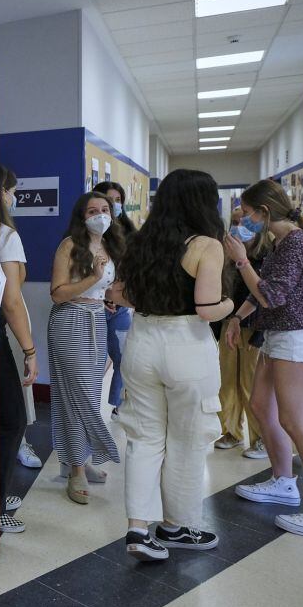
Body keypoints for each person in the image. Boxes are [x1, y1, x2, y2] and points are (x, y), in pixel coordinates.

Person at [109, 169, 231, 561]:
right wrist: (232, 306)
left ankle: (138, 530)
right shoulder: (206, 245)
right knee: (187, 439)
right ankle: (176, 526)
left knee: (144, 437)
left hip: (142, 341)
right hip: (187, 346)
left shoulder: (141, 241)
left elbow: (122, 295)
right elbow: (207, 309)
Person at [223, 179, 303, 542]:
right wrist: (236, 317)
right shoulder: (282, 241)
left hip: (299, 337)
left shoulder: (297, 243)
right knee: (262, 405)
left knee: (296, 421)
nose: (242, 221)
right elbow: (260, 290)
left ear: (264, 212)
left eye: (246, 214)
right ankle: (283, 481)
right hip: (280, 336)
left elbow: (272, 296)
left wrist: (242, 260)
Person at [48, 191, 124, 505]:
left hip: (96, 319)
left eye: (105, 209)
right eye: (93, 210)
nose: (100, 215)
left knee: (90, 396)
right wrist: (92, 277)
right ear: (82, 216)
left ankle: (80, 459)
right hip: (70, 322)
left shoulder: (111, 245)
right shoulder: (69, 246)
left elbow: (107, 287)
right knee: (76, 397)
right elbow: (58, 293)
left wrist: (105, 297)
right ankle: (76, 468)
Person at [0, 165, 39, 533]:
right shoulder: (6, 234)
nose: (13, 197)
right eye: (11, 190)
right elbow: (11, 301)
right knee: (13, 420)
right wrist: (29, 350)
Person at [215, 209, 269, 458]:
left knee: (251, 386)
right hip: (229, 324)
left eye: (244, 222)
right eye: (234, 222)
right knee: (227, 383)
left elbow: (264, 295)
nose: (239, 227)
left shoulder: (265, 255)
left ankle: (260, 439)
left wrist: (261, 331)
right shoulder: (225, 256)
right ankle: (231, 432)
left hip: (255, 326)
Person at [93, 181, 136, 417]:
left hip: (119, 308)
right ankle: (90, 412)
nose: (113, 205)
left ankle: (120, 404)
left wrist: (118, 297)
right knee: (94, 364)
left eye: (118, 200)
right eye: (109, 200)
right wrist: (103, 296)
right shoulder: (86, 236)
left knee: (125, 357)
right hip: (93, 309)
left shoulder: (130, 234)